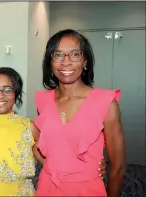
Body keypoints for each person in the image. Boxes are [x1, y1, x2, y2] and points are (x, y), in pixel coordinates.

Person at [0, 67, 107, 196]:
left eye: (7, 90)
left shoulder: (29, 127)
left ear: (16, 93)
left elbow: (53, 156)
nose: (0, 95)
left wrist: (88, 167)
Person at [34, 29, 126, 196]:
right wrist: (55, 167)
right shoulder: (43, 101)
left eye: (75, 54)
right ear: (50, 62)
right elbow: (41, 147)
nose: (66, 62)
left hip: (86, 191)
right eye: (58, 55)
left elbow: (118, 167)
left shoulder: (105, 103)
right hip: (47, 188)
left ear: (85, 62)